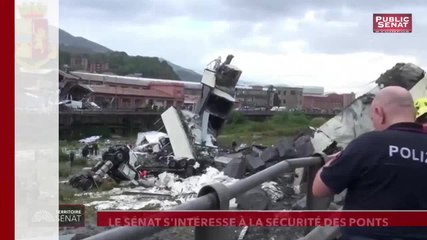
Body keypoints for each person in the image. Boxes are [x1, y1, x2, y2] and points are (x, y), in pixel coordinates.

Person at [312, 86, 427, 240]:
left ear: (379, 112)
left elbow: (320, 189)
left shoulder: (368, 144)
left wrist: (334, 160)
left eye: (373, 119)